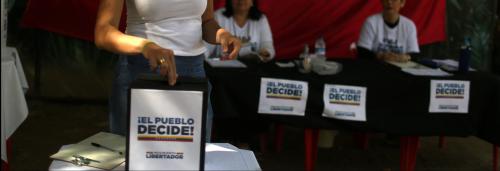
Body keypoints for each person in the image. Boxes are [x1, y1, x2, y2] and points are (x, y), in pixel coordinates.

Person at [94, 0, 241, 141]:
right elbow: (103, 32)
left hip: (193, 73)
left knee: (192, 156)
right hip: (142, 68)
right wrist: (145, 46)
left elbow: (206, 21)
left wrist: (222, 34)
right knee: (132, 155)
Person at [206, 0, 275, 62]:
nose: (241, 1)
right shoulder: (218, 16)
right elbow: (207, 46)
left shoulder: (261, 19)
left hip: (252, 69)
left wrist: (266, 53)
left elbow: (267, 44)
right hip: (223, 68)